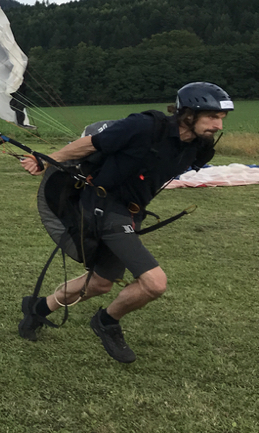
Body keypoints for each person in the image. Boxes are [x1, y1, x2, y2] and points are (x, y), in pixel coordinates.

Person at [17, 82, 232, 363]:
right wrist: (46, 160)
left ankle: (37, 310)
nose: (218, 125)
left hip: (131, 213)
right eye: (212, 117)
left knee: (100, 284)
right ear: (189, 114)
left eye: (221, 119)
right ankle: (107, 321)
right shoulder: (144, 126)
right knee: (154, 283)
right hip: (103, 206)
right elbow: (90, 144)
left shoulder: (200, 148)